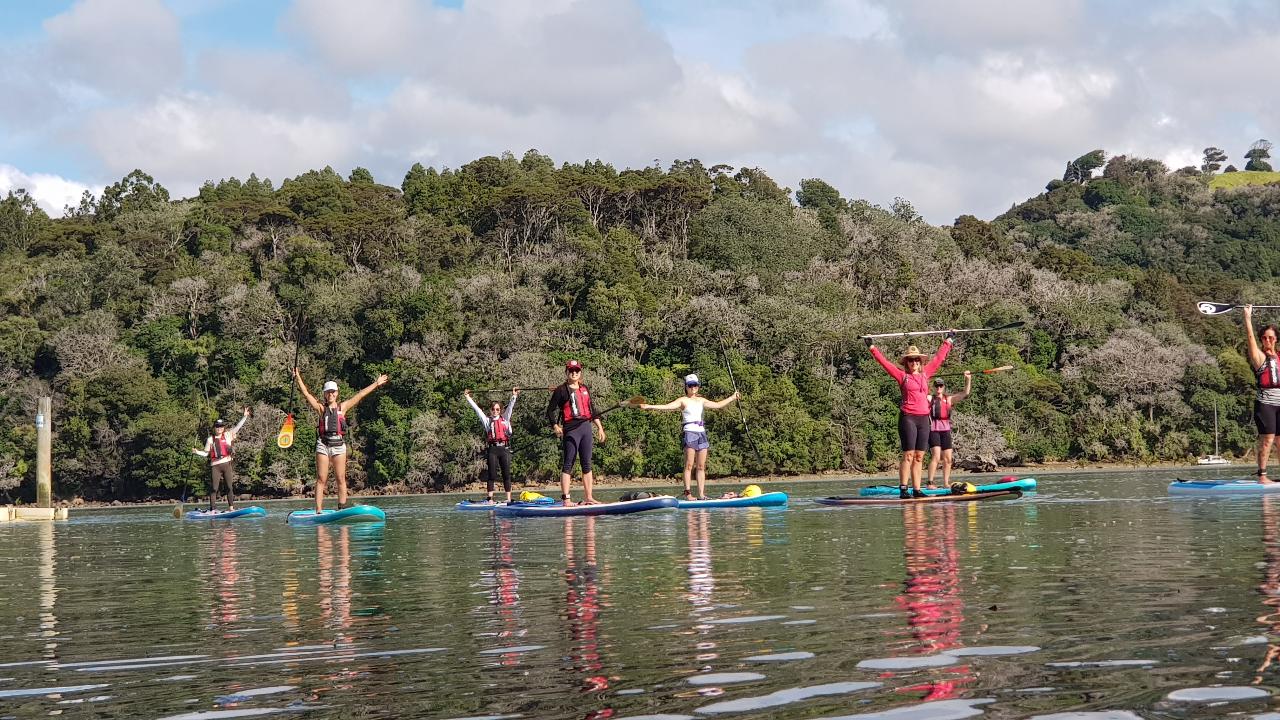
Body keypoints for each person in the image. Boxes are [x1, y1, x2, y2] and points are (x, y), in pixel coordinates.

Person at [866, 334, 954, 498]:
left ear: (920, 362)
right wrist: (872, 347)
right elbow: (884, 363)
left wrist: (949, 340)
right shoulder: (902, 376)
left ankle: (917, 489)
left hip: (923, 419)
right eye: (911, 360)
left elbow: (939, 358)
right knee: (909, 454)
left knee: (920, 456)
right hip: (908, 418)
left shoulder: (926, 374)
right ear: (906, 363)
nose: (914, 363)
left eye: (917, 360)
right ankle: (904, 488)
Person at [293, 370, 390, 512]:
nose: (330, 394)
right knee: (321, 479)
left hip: (338, 446)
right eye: (328, 392)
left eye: (333, 392)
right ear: (325, 394)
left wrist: (376, 383)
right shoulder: (321, 408)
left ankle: (342, 507)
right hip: (323, 445)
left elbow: (360, 394)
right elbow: (307, 394)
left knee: (340, 479)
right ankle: (318, 510)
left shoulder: (342, 408)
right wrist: (298, 378)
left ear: (337, 393)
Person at [639, 374, 739, 499]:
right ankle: (688, 493)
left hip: (701, 433)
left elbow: (718, 405)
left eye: (695, 385)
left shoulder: (702, 400)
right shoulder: (682, 400)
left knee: (701, 466)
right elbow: (666, 407)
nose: (693, 388)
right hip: (689, 433)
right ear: (686, 387)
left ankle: (702, 494)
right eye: (691, 385)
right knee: (689, 465)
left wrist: (732, 397)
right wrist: (649, 406)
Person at [546, 360, 606, 505]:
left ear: (580, 373)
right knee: (569, 463)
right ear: (567, 372)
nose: (574, 373)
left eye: (577, 371)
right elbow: (550, 410)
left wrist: (599, 427)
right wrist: (555, 425)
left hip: (586, 427)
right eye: (571, 370)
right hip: (571, 429)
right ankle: (566, 499)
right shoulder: (561, 390)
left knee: (587, 463)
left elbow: (591, 409)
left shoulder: (584, 388)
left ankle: (589, 497)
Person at [465, 387, 520, 503]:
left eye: (497, 409)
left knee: (506, 474)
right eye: (493, 409)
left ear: (500, 410)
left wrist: (514, 396)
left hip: (504, 449)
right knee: (492, 475)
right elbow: (477, 410)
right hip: (493, 450)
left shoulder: (505, 419)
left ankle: (508, 499)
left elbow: (510, 408)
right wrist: (468, 397)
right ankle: (490, 498)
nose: (495, 411)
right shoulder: (487, 421)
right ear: (490, 410)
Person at [1245, 304, 1280, 483]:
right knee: (1268, 439)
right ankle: (1262, 476)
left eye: (1271, 338)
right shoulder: (1260, 358)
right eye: (1264, 338)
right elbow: (1250, 339)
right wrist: (1248, 318)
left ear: (1276, 339)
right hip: (1265, 404)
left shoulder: (1279, 357)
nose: (1268, 341)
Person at [191, 407, 251, 511]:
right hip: (215, 466)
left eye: (221, 426)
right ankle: (213, 509)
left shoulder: (228, 435)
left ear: (223, 428)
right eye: (217, 427)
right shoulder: (210, 439)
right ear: (215, 428)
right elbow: (206, 454)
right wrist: (196, 452)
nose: (219, 428)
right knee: (214, 488)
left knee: (229, 487)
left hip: (226, 464)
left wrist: (244, 416)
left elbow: (238, 427)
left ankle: (231, 508)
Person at [926, 371, 972, 489]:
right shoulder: (930, 398)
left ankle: (946, 483)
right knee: (936, 456)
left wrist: (967, 379)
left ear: (944, 387)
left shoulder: (949, 399)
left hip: (945, 431)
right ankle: (930, 483)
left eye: (941, 386)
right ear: (934, 387)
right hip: (934, 430)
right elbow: (919, 393)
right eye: (936, 386)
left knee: (948, 459)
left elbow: (965, 393)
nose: (938, 388)